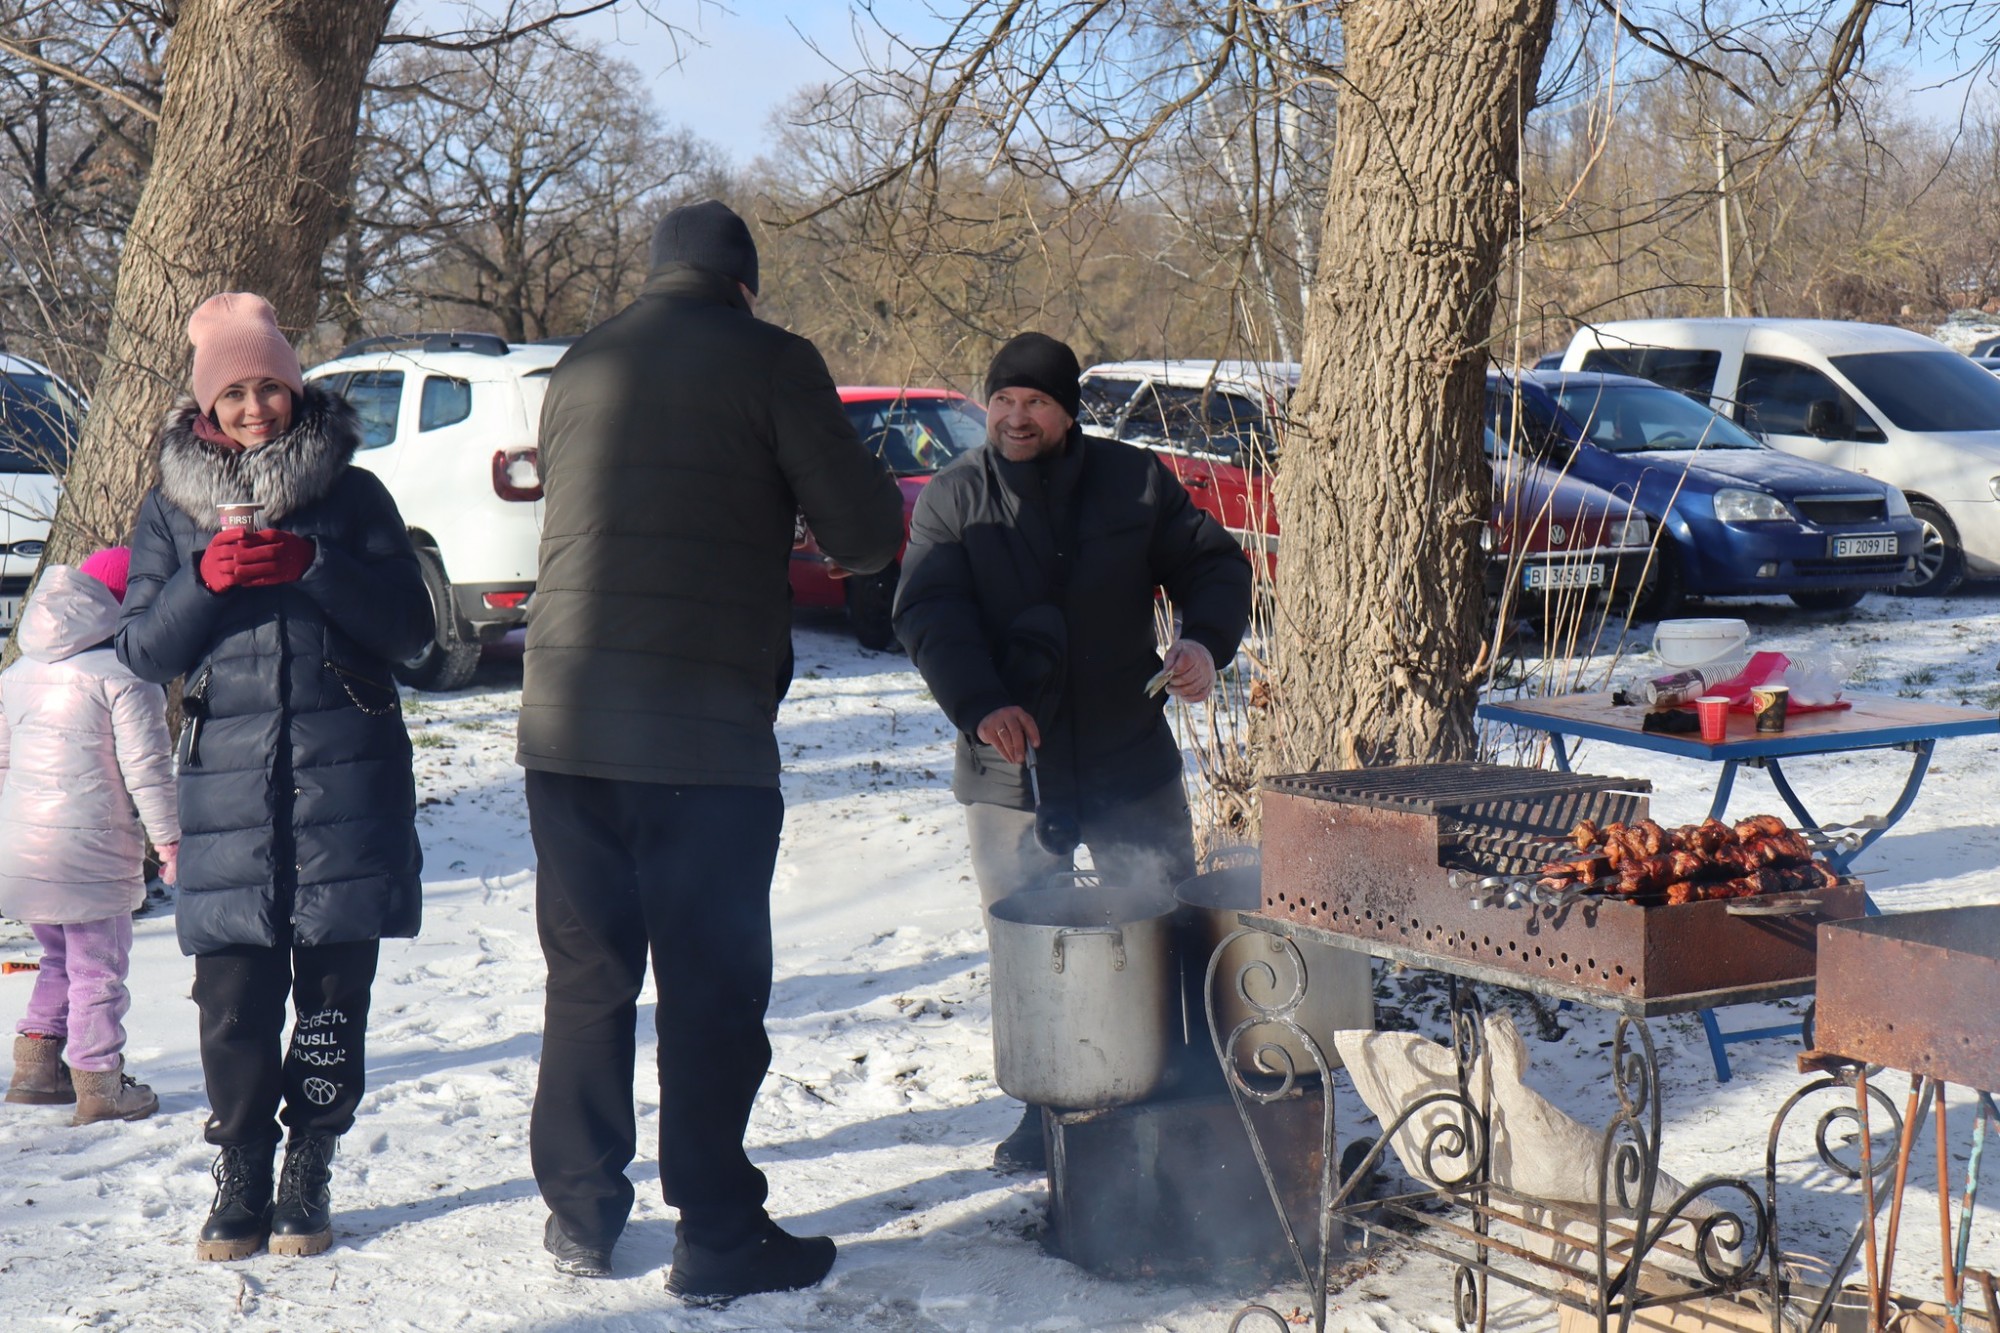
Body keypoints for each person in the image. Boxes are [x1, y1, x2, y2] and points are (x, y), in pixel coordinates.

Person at [516, 199, 903, 1298]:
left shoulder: (581, 362)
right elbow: (867, 532)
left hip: (564, 727)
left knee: (587, 974)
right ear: (744, 283)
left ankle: (580, 1213)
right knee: (709, 984)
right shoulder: (771, 360)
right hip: (699, 732)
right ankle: (718, 1233)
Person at [116, 292, 432, 1262]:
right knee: (232, 1002)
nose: (256, 408)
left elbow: (414, 635)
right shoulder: (168, 511)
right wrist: (205, 576)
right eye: (236, 393)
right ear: (206, 408)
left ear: (298, 391)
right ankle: (243, 1162)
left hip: (350, 782)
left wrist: (312, 565)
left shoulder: (356, 497)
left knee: (335, 997)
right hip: (227, 790)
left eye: (272, 389)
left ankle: (310, 1166)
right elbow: (142, 652)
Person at [893, 332, 1253, 1172]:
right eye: (1004, 402)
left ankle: (1178, 1080)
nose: (1016, 418)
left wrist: (1203, 640)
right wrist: (980, 704)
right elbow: (928, 613)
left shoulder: (1132, 481)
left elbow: (1213, 565)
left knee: (1163, 917)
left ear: (1067, 414)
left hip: (1128, 750)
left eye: (1036, 404)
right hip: (1008, 765)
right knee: (1031, 942)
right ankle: (1044, 1105)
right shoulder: (954, 496)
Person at [1, 548, 179, 1124]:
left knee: (58, 955)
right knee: (98, 965)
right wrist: (170, 842)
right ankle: (100, 1083)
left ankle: (34, 1069)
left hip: (24, 850)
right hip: (90, 849)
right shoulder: (126, 679)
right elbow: (147, 770)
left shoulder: (16, 674)